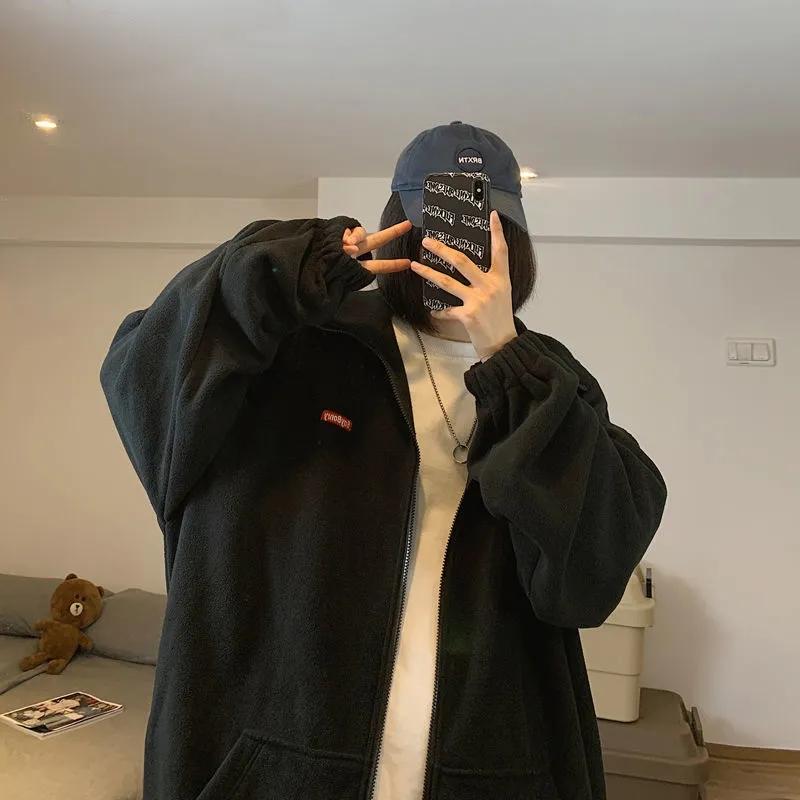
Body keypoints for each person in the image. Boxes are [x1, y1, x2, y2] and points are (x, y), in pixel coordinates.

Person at [100, 121, 668, 800]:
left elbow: (588, 575)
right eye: (434, 226)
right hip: (280, 769)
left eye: (480, 230)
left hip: (490, 770)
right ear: (397, 228)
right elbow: (143, 380)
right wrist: (288, 269)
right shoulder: (303, 347)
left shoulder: (548, 382)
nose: (452, 249)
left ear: (513, 245)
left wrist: (505, 355)